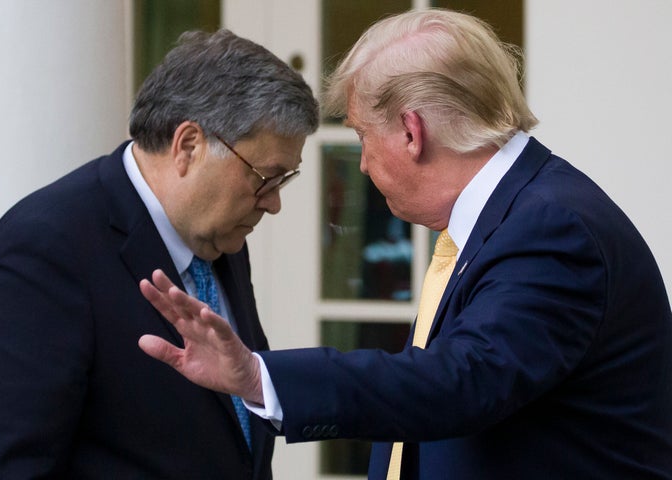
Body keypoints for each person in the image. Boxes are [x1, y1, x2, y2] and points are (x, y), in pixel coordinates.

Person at [136, 8, 672, 479]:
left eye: (362, 136)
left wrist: (259, 375)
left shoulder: (551, 227)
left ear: (412, 132)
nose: (363, 164)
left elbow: (459, 382)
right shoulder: (517, 214)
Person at [0, 29, 318, 479]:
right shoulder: (40, 252)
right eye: (266, 177)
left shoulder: (218, 237)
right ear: (188, 146)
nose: (273, 202)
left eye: (284, 180)